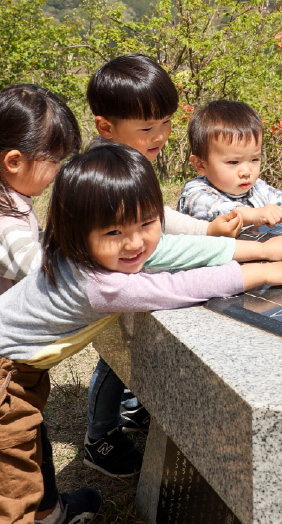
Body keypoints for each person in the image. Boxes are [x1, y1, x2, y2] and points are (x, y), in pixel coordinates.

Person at [0, 141, 282, 524]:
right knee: (12, 479)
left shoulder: (93, 249)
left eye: (147, 223)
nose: (135, 242)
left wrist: (250, 249)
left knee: (32, 446)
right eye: (114, 231)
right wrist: (258, 273)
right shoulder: (100, 283)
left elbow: (173, 249)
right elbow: (173, 288)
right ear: (77, 231)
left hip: (20, 371)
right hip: (6, 380)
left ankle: (50, 514)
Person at [84, 54, 241, 478]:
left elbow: (155, 216)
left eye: (167, 123)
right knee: (115, 358)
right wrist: (216, 249)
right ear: (106, 127)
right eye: (148, 128)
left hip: (129, 271)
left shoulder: (130, 157)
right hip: (110, 280)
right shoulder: (105, 170)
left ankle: (136, 409)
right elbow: (147, 240)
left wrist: (207, 230)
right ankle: (99, 436)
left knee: (137, 347)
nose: (161, 136)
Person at [0, 84, 102, 524]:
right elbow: (39, 264)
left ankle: (49, 510)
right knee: (13, 459)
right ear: (14, 161)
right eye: (56, 160)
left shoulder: (13, 199)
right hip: (6, 366)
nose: (60, 171)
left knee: (31, 434)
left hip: (14, 357)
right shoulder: (5, 221)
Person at [177, 100, 282, 228]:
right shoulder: (195, 193)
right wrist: (253, 214)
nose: (246, 171)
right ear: (200, 165)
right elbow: (219, 211)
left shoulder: (258, 189)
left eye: (254, 159)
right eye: (233, 162)